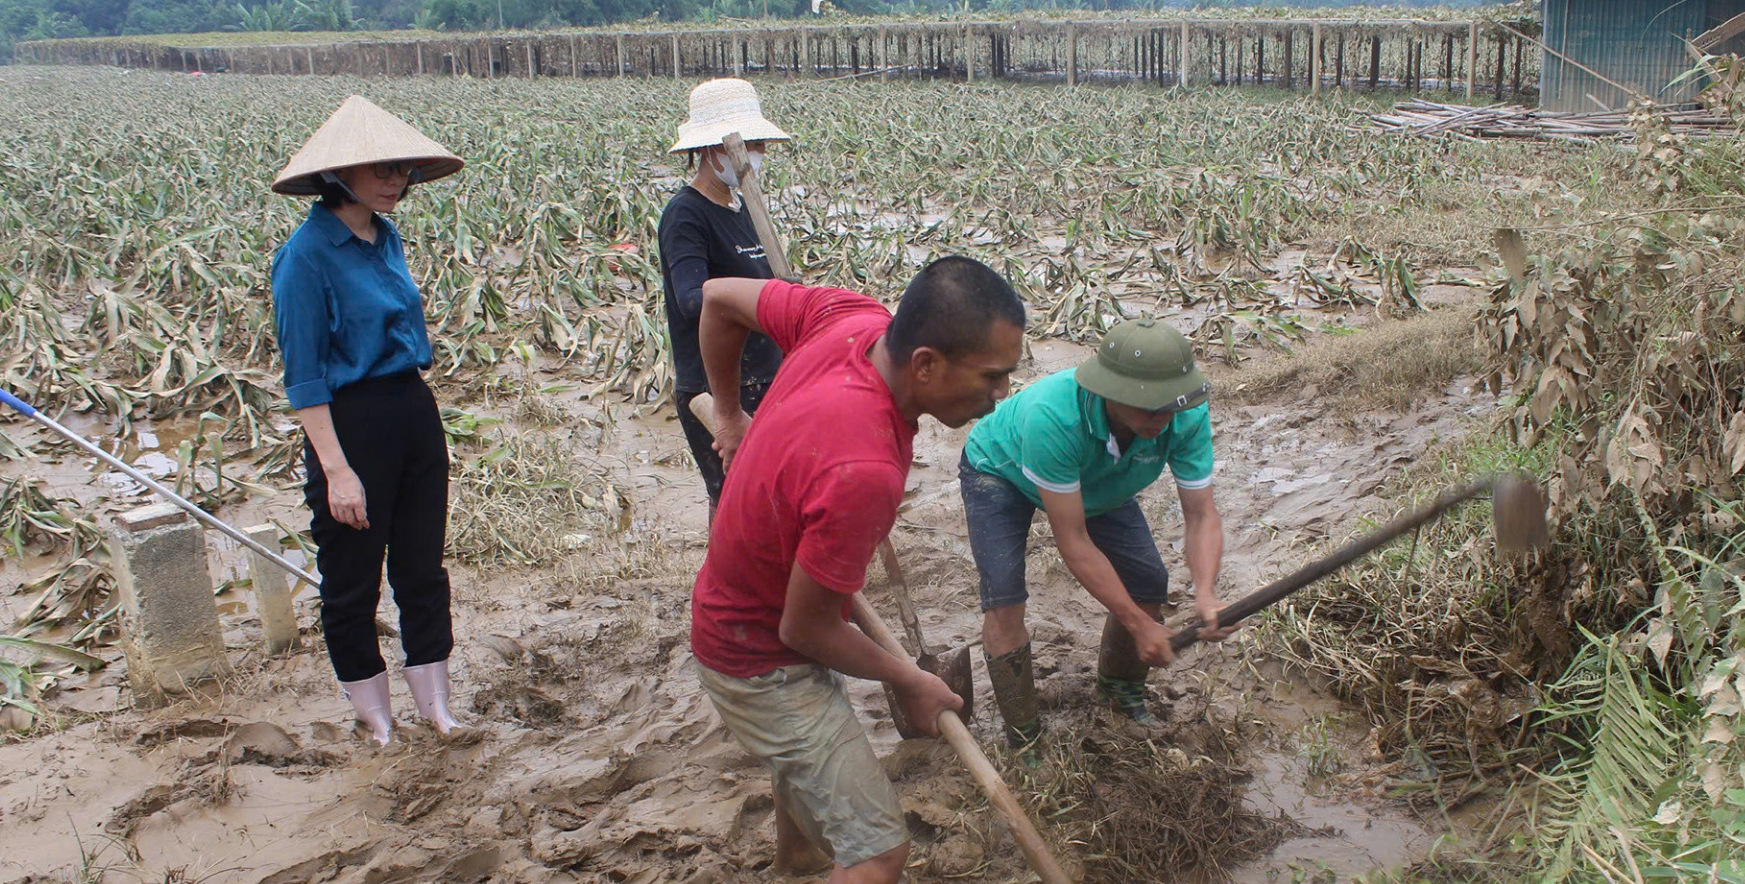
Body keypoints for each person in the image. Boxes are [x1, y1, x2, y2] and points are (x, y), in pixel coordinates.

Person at [692, 258, 1025, 884]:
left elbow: (718, 299)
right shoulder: (863, 468)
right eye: (992, 377)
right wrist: (908, 680)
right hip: (757, 659)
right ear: (926, 364)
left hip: (743, 600)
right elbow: (806, 630)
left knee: (816, 756)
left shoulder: (850, 317)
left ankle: (797, 858)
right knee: (877, 851)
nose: (999, 395)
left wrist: (733, 412)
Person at [269, 95, 467, 747]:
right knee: (352, 580)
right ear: (338, 174)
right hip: (349, 424)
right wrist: (337, 470)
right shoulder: (305, 255)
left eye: (402, 170)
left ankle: (436, 704)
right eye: (381, 169)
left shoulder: (386, 237)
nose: (394, 181)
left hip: (412, 409)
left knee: (421, 567)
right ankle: (373, 714)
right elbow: (303, 375)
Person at [959, 318, 1233, 748]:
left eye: (1169, 406)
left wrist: (1205, 593)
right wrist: (1139, 625)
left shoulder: (1184, 416)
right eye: (1149, 406)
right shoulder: (1054, 417)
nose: (1162, 418)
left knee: (1147, 583)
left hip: (1094, 480)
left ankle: (1120, 691)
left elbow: (1201, 515)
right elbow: (1073, 540)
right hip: (1001, 470)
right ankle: (1024, 734)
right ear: (1112, 393)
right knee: (1006, 600)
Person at [660, 78, 791, 512]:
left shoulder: (744, 207)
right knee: (736, 502)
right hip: (715, 387)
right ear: (716, 149)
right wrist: (767, 299)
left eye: (760, 144)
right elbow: (693, 300)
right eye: (750, 143)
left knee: (772, 497)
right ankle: (723, 581)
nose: (759, 155)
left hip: (765, 375)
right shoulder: (686, 214)